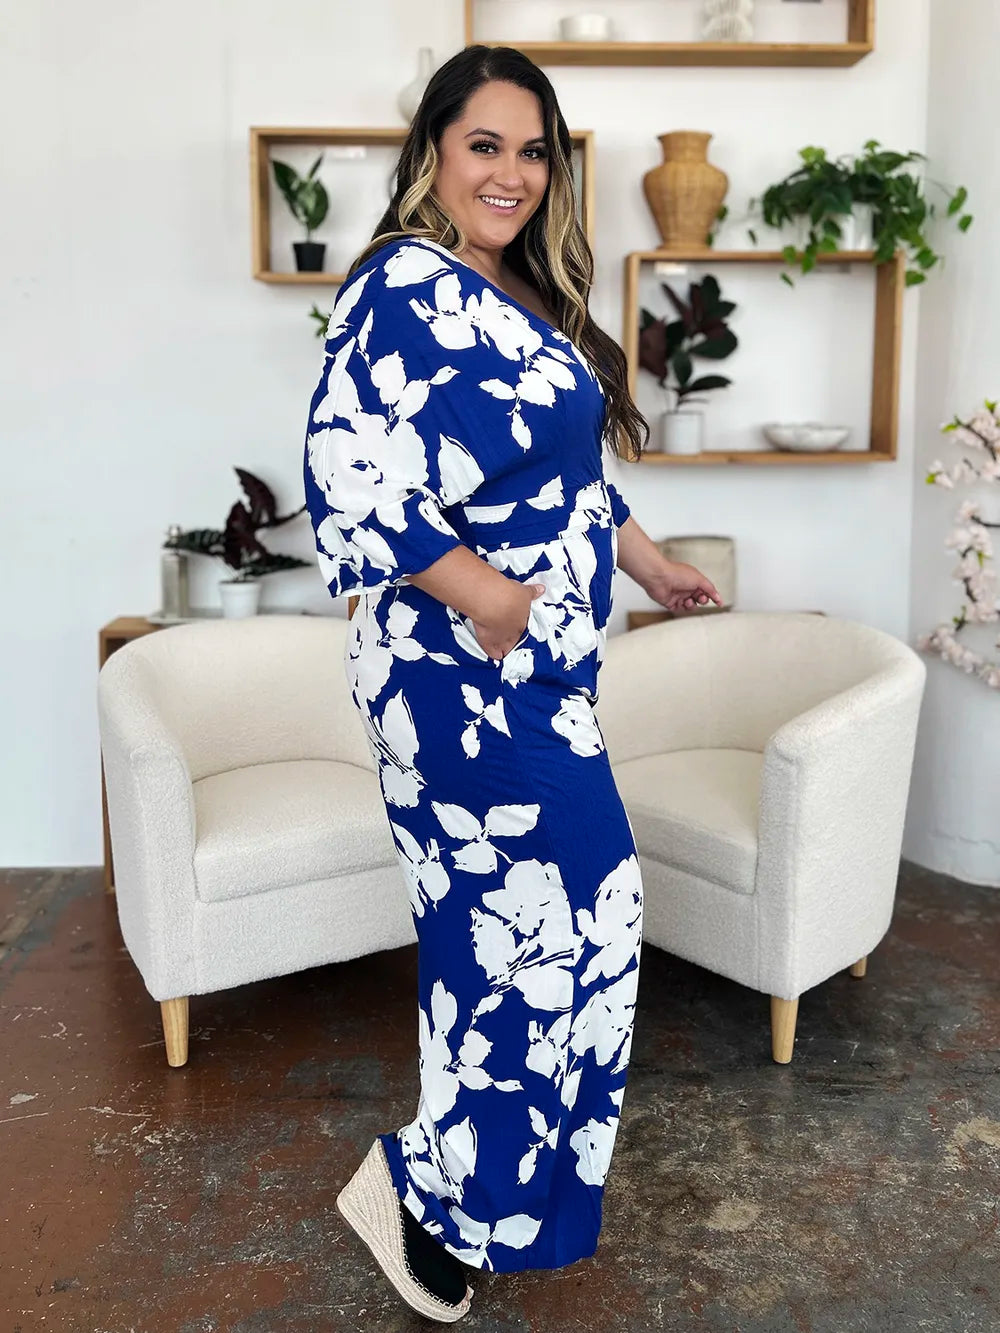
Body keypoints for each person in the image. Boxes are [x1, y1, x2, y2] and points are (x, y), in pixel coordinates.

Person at [302, 44, 722, 1322]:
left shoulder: (517, 290)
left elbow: (567, 476)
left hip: (536, 671)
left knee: (567, 927)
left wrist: (647, 561)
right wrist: (490, 599)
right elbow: (347, 471)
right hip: (453, 668)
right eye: (484, 144)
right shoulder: (400, 285)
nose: (512, 173)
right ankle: (428, 1190)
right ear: (432, 150)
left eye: (532, 151)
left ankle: (465, 1191)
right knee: (536, 928)